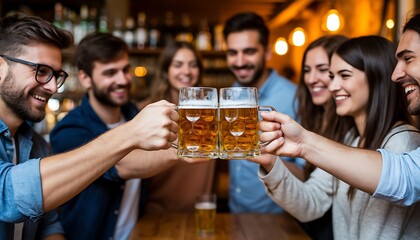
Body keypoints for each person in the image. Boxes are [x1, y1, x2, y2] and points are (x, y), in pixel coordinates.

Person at [0, 13, 178, 239]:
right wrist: (132, 133)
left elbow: (49, 224)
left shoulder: (36, 146)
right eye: (41, 71)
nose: (53, 86)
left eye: (56, 75)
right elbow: (8, 195)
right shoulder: (69, 129)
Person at [256, 36, 420, 239]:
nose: (332, 86)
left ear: (377, 77)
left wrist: (302, 143)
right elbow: (311, 203)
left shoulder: (403, 142)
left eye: (344, 75)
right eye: (332, 76)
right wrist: (270, 162)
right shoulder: (350, 138)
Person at [49, 34, 195, 240]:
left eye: (125, 70)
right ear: (84, 78)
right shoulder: (70, 130)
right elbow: (122, 166)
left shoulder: (135, 115)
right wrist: (188, 148)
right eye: (110, 73)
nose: (123, 80)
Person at [222, 12, 304, 213]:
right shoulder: (231, 93)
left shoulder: (294, 97)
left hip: (278, 220)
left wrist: (269, 158)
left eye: (249, 51)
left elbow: (306, 174)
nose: (240, 61)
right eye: (233, 53)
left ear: (267, 52)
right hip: (235, 213)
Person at [141, 41, 215, 213]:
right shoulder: (147, 111)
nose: (187, 72)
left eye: (193, 65)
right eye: (178, 65)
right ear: (166, 70)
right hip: (156, 214)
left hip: (202, 212)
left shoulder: (211, 113)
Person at [295, 35, 350, 240]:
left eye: (322, 70)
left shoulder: (350, 127)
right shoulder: (314, 118)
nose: (311, 79)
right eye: (307, 71)